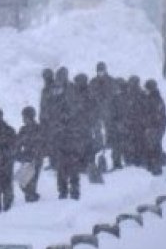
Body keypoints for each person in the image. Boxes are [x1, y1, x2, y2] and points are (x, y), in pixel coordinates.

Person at [48, 67, 81, 200]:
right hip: (59, 139)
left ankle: (74, 191)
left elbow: (74, 117)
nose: (56, 91)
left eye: (59, 89)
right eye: (55, 89)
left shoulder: (70, 100)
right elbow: (50, 119)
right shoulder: (53, 103)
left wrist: (65, 125)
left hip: (70, 138)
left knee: (72, 166)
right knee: (61, 168)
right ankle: (62, 191)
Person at [14, 106, 44, 202]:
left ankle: (32, 202)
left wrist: (38, 153)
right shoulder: (23, 130)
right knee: (22, 182)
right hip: (26, 159)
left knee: (31, 182)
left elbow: (44, 143)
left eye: (25, 117)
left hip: (36, 159)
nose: (23, 119)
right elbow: (17, 144)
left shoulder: (39, 129)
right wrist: (18, 155)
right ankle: (32, 197)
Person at [89, 61, 115, 162]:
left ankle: (109, 145)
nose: (100, 73)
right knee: (97, 129)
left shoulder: (111, 81)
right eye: (99, 71)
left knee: (109, 128)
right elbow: (90, 95)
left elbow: (113, 95)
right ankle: (99, 145)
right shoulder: (93, 82)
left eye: (102, 71)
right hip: (96, 110)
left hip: (108, 110)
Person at [142, 79, 166, 175]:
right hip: (158, 126)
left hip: (155, 126)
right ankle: (157, 164)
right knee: (155, 145)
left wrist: (148, 125)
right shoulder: (156, 98)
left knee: (153, 146)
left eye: (146, 88)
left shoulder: (153, 99)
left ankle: (156, 167)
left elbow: (153, 114)